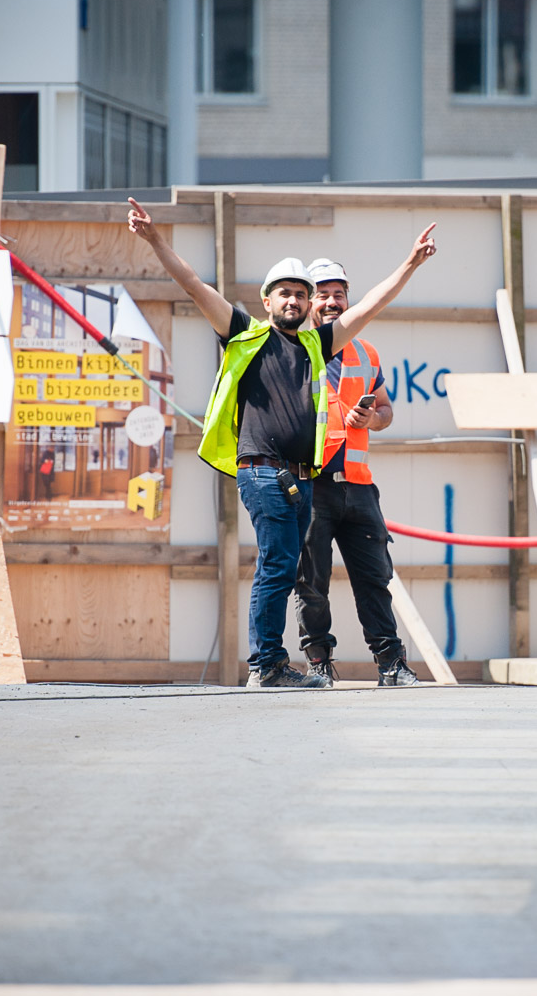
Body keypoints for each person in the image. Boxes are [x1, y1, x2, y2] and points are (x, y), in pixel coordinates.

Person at [126, 198, 439, 688]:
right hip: (263, 471)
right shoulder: (244, 335)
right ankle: (266, 666)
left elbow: (371, 306)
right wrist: (155, 239)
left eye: (300, 293)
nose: (293, 301)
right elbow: (192, 284)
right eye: (284, 294)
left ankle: (281, 664)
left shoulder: (318, 345)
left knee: (290, 567)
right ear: (266, 301)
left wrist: (410, 264)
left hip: (302, 479)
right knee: (279, 568)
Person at [293, 259, 418, 687]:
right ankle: (318, 664)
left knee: (374, 578)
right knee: (311, 581)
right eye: (322, 294)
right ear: (310, 300)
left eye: (338, 294)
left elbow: (386, 411)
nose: (331, 302)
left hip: (359, 486)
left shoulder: (366, 352)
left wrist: (372, 420)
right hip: (312, 484)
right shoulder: (295, 347)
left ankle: (391, 665)